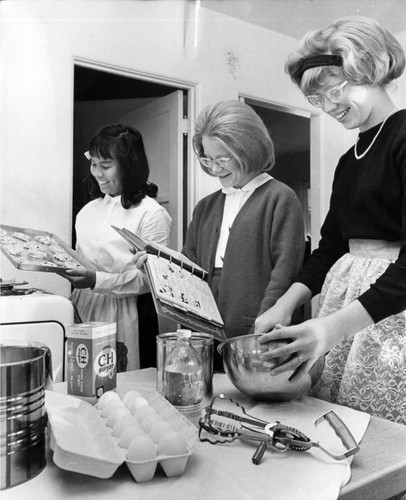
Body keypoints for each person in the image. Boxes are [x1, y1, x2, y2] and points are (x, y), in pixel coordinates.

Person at [255, 16, 406, 425]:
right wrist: (284, 305)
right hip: (345, 314)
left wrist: (332, 329)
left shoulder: (404, 136)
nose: (329, 108)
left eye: (334, 92)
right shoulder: (348, 161)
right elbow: (332, 248)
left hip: (391, 312)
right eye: (317, 101)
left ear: (370, 69)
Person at [178, 100, 304, 369]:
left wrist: (263, 337)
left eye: (222, 159)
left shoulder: (279, 198)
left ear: (248, 149)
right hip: (206, 340)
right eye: (207, 159)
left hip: (255, 339)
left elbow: (285, 274)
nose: (214, 168)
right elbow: (188, 270)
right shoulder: (205, 207)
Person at [63, 124, 171, 371]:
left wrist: (96, 280)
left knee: (125, 384)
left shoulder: (151, 213)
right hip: (84, 307)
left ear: (129, 165)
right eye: (94, 164)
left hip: (130, 313)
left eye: (106, 166)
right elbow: (81, 261)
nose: (97, 174)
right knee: (83, 380)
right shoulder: (87, 211)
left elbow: (151, 282)